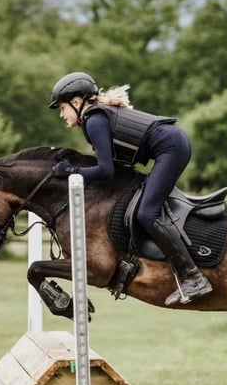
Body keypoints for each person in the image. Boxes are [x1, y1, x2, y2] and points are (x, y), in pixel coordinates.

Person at [48, 71, 212, 305]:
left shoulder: (94, 121)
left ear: (76, 102)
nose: (62, 115)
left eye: (62, 108)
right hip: (170, 145)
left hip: (171, 148)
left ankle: (193, 277)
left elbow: (106, 171)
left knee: (147, 213)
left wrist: (71, 172)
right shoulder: (96, 118)